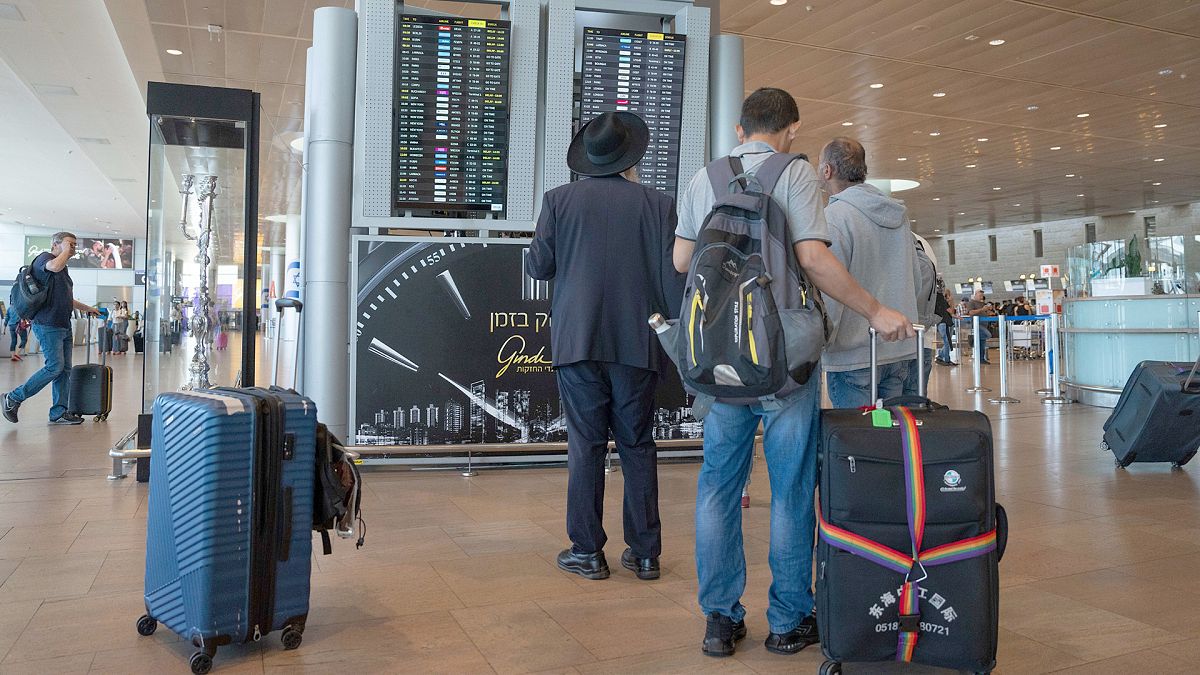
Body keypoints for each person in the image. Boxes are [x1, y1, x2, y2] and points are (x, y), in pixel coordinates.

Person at [673, 89, 913, 658]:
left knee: (717, 488)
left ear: (739, 128)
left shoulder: (705, 177)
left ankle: (719, 620)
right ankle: (787, 621)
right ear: (792, 130)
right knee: (790, 489)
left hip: (718, 356)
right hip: (784, 359)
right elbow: (812, 258)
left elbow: (683, 261)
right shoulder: (796, 174)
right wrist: (875, 310)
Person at [527, 111, 683, 583]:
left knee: (586, 446)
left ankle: (587, 552)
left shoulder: (558, 201)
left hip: (577, 340)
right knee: (638, 444)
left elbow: (539, 267)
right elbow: (670, 277)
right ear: (630, 156)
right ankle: (646, 553)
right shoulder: (658, 205)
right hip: (637, 339)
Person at [816, 137, 919, 408]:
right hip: (898, 349)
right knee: (891, 441)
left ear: (827, 171)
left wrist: (821, 343)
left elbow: (830, 288)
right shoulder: (899, 216)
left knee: (859, 441)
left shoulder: (835, 218)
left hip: (854, 353)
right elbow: (915, 277)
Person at [2, 232, 100, 425]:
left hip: (62, 325)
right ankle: (13, 398)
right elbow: (54, 266)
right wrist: (63, 253)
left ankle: (59, 412)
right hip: (48, 325)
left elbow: (65, 299)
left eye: (74, 245)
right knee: (54, 367)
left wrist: (88, 308)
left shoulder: (63, 268)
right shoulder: (45, 259)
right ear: (56, 244)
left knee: (64, 370)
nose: (73, 248)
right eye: (69, 244)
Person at [963, 289, 996, 364]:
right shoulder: (971, 303)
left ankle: (981, 359)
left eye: (982, 295)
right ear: (975, 295)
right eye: (980, 295)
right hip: (977, 325)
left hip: (984, 324)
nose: (981, 297)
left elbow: (984, 312)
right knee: (988, 335)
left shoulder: (982, 303)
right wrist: (982, 309)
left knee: (982, 343)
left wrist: (989, 312)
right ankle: (973, 341)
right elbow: (971, 312)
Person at [935, 288, 958, 366]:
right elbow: (951, 311)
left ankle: (941, 356)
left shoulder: (939, 301)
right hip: (944, 323)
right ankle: (946, 360)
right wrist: (952, 302)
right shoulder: (942, 301)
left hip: (945, 322)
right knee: (947, 341)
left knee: (947, 341)